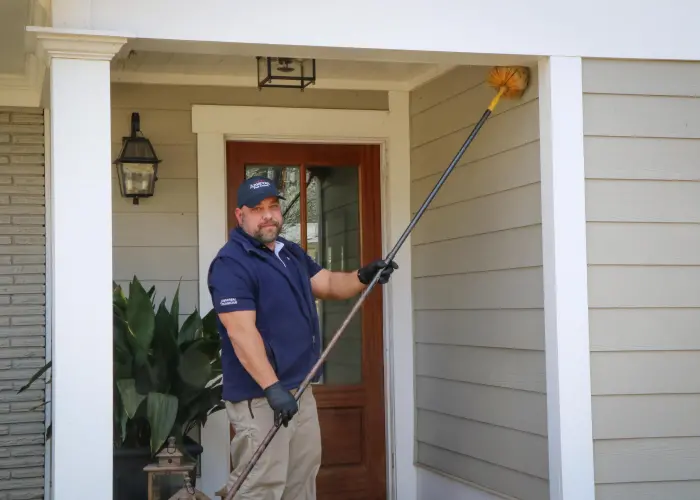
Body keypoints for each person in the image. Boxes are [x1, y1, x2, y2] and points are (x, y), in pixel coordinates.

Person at [208, 175, 397, 500]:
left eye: (273, 206)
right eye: (257, 209)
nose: (267, 214)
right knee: (261, 486)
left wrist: (364, 276)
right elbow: (241, 334)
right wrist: (272, 388)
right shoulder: (231, 264)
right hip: (261, 396)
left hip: (299, 388)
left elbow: (327, 284)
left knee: (301, 480)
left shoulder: (289, 253)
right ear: (240, 216)